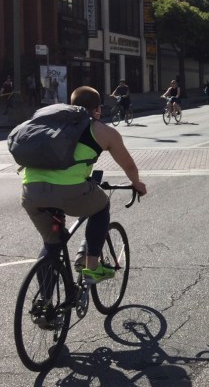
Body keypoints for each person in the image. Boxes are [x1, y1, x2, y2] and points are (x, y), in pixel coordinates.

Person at [21, 86, 147, 285]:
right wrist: (137, 184)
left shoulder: (52, 123)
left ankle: (44, 305)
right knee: (101, 206)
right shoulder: (103, 131)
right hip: (70, 191)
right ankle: (91, 267)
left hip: (31, 191)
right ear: (98, 108)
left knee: (52, 244)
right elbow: (129, 165)